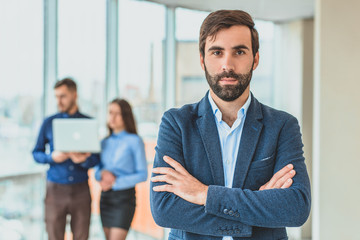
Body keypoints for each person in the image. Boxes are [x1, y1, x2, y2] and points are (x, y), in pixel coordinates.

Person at [150, 10, 311, 240]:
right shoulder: (176, 123)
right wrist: (258, 208)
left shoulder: (282, 126)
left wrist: (204, 194)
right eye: (217, 52)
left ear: (255, 59)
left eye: (239, 51)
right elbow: (164, 209)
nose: (227, 64)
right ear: (202, 59)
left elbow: (295, 207)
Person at [32, 78, 100, 240]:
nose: (58, 101)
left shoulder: (88, 123)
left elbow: (96, 159)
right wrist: (52, 157)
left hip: (81, 189)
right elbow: (36, 153)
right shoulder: (49, 122)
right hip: (55, 190)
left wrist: (82, 160)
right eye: (56, 97)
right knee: (54, 236)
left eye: (63, 96)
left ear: (74, 95)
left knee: (82, 236)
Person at [94, 98, 148, 240]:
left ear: (125, 116)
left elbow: (143, 174)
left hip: (124, 198)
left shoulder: (135, 141)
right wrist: (101, 174)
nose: (112, 117)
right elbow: (96, 170)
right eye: (110, 112)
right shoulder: (103, 142)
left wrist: (115, 182)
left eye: (117, 113)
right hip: (105, 197)